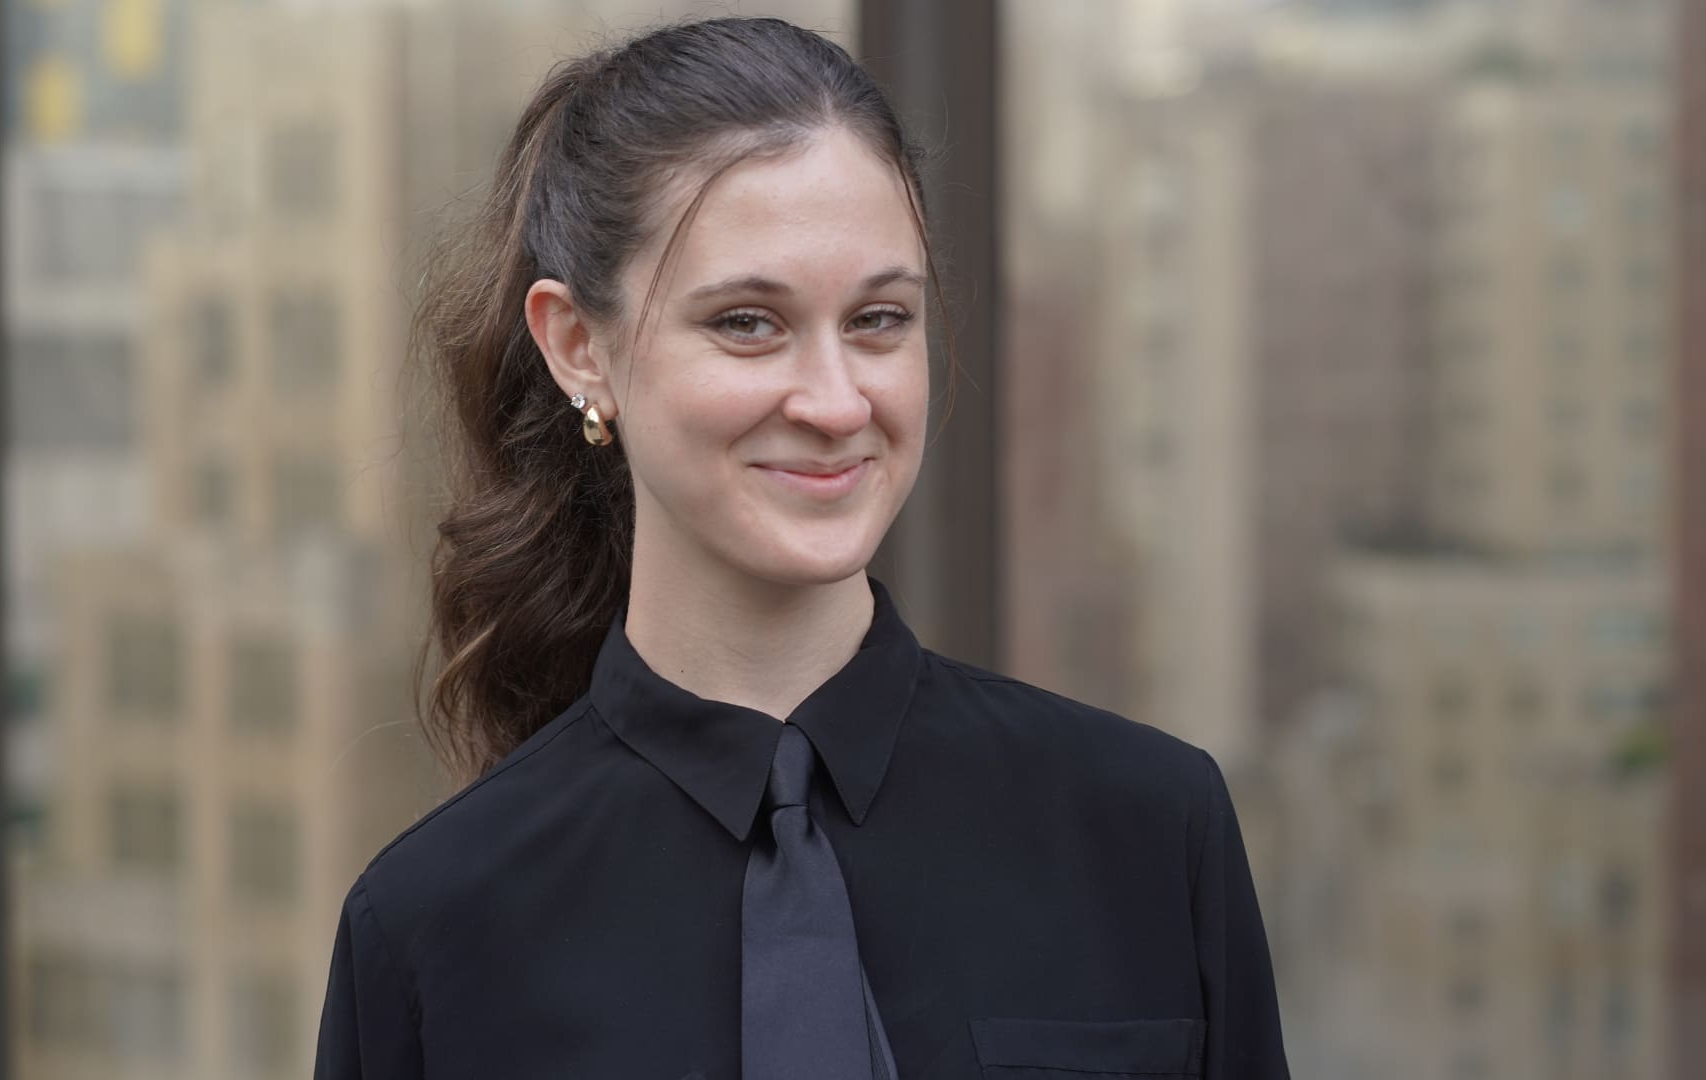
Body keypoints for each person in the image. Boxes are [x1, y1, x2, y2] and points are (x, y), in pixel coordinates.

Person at [314, 15, 1289, 1080]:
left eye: (878, 320)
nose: (835, 402)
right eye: (747, 323)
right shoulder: (431, 931)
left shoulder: (1151, 834)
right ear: (578, 347)